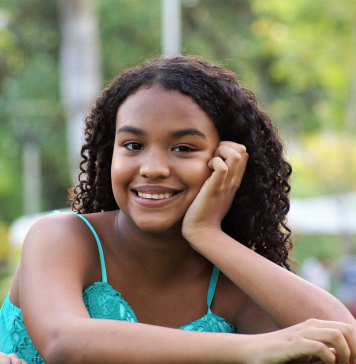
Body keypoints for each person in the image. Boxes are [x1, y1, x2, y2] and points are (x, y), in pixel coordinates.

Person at [0, 55, 355, 364]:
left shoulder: (233, 289)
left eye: (184, 148)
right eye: (133, 145)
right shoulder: (63, 238)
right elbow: (65, 342)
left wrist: (207, 234)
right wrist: (250, 350)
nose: (153, 167)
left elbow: (343, 341)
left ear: (228, 163)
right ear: (110, 155)